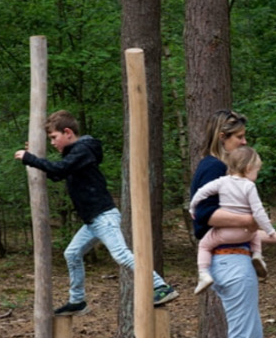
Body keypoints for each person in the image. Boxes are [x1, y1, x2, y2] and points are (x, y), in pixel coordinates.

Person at [15, 110, 177, 316]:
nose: (53, 143)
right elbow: (57, 173)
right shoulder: (76, 155)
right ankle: (77, 301)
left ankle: (161, 286)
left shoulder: (83, 150)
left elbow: (60, 169)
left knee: (121, 255)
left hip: (104, 216)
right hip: (93, 220)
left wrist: (30, 158)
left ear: (67, 133)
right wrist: (35, 159)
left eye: (54, 138)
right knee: (72, 254)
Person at [188, 146, 274, 294]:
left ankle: (203, 274)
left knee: (204, 245)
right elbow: (258, 212)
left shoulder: (221, 182)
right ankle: (258, 255)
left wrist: (192, 207)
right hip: (246, 234)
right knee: (254, 233)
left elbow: (201, 192)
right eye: (257, 171)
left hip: (225, 235)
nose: (257, 175)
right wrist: (270, 230)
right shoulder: (249, 186)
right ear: (248, 169)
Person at [189, 109, 259, 244]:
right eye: (239, 137)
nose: (244, 142)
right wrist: (250, 219)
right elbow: (204, 213)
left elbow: (236, 231)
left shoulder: (220, 167)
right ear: (222, 137)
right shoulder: (214, 167)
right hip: (222, 253)